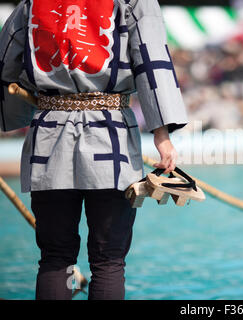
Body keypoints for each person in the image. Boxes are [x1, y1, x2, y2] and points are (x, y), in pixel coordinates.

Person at [0, 0, 188, 300]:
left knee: (55, 258)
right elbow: (152, 61)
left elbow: (6, 63)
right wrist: (161, 133)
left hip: (48, 138)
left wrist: (14, 115)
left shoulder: (31, 3)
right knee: (109, 259)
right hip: (112, 138)